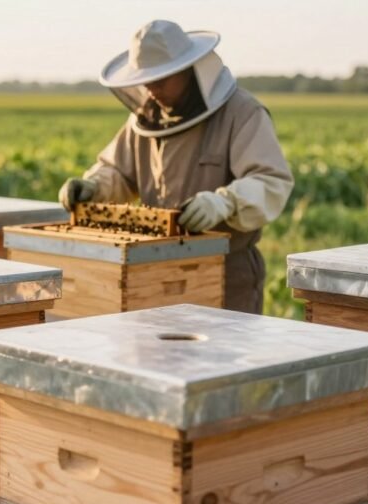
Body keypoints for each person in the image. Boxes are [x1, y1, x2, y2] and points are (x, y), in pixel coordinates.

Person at [59, 20, 294, 314]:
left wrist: (224, 203)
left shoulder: (242, 113)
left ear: (188, 70)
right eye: (146, 81)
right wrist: (94, 186)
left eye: (160, 80)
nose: (151, 90)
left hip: (224, 270)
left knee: (224, 359)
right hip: (155, 268)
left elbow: (271, 180)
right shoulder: (146, 120)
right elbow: (118, 172)